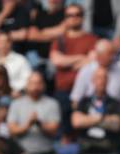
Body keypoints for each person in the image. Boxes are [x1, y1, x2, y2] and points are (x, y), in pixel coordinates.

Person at [49, 3, 98, 131]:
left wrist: (67, 61)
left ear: (82, 17)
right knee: (63, 131)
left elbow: (93, 60)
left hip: (85, 93)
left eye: (77, 15)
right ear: (65, 18)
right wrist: (82, 57)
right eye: (70, 15)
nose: (74, 18)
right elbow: (57, 61)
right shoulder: (59, 40)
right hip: (63, 91)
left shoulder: (92, 39)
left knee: (84, 130)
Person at [7, 71, 60, 154]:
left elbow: (54, 130)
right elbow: (11, 130)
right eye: (32, 83)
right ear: (26, 85)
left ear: (43, 85)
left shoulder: (52, 103)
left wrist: (39, 124)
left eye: (38, 83)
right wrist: (28, 125)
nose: (35, 87)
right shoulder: (16, 104)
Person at [69, 39, 120, 109]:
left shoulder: (119, 71)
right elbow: (75, 99)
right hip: (89, 114)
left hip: (113, 114)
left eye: (113, 54)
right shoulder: (86, 71)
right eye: (109, 54)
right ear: (99, 55)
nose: (112, 57)